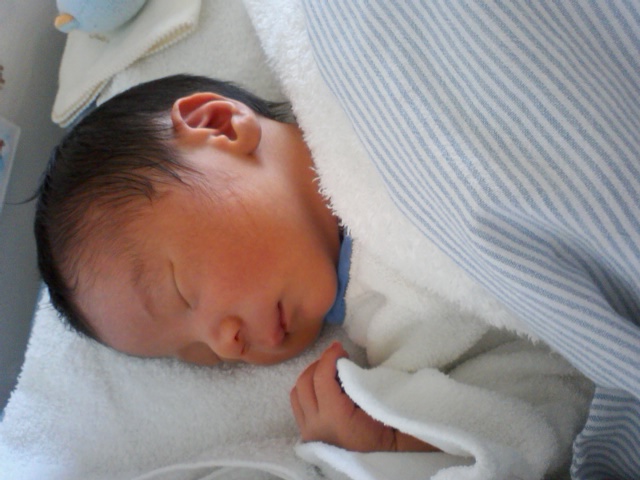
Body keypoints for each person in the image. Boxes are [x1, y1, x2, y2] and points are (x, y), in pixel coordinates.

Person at [34, 74, 591, 473]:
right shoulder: (392, 319)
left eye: (180, 292)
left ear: (219, 124)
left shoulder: (350, 83)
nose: (225, 344)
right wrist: (393, 446)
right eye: (198, 354)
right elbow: (544, 397)